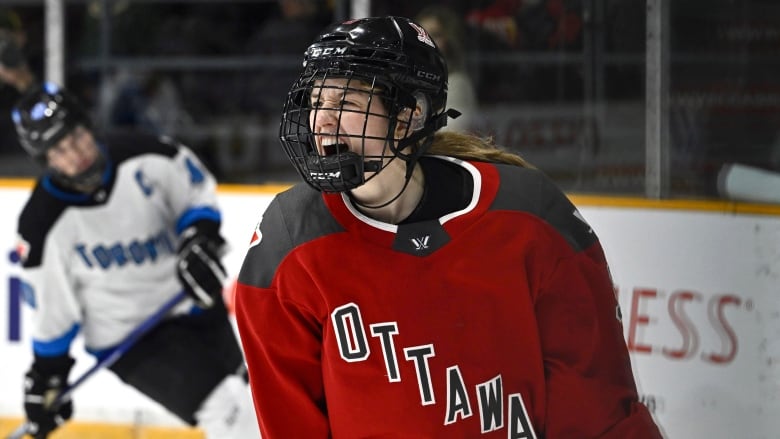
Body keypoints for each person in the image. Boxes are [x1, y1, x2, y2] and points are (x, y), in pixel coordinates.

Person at [234, 16, 664, 438]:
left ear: (407, 118)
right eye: (317, 102)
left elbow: (596, 407)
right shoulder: (289, 242)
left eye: (345, 104)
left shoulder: (529, 217)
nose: (321, 122)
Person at [12, 82, 259, 439]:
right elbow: (54, 310)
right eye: (59, 150)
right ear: (46, 161)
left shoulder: (147, 154)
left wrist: (197, 237)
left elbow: (195, 195)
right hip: (131, 337)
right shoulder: (42, 224)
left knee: (254, 393)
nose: (75, 153)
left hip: (192, 302)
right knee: (228, 410)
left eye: (77, 137)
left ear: (88, 125)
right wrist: (48, 374)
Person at [415, 5, 478, 133]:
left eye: (435, 35)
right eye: (421, 35)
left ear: (450, 40)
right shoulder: (411, 79)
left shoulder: (457, 84)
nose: (426, 42)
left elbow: (448, 135)